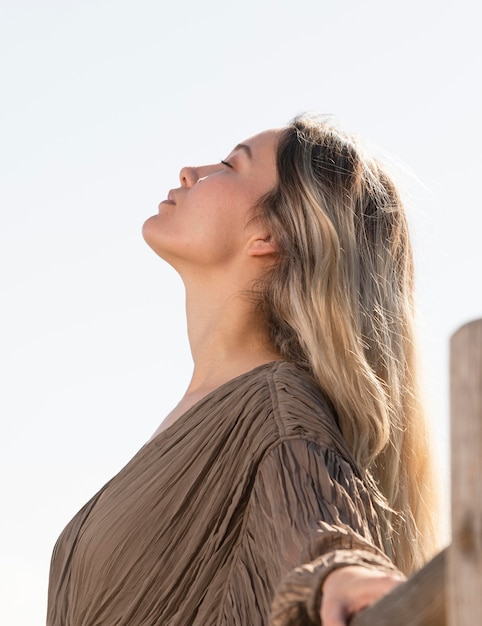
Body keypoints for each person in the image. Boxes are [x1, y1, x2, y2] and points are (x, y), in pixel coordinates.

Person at [47, 115, 438, 625]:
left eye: (230, 166)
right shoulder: (209, 412)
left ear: (270, 234)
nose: (191, 171)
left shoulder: (275, 407)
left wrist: (343, 574)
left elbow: (311, 521)